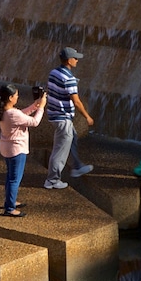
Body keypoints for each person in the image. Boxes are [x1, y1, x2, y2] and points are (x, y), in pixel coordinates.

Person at [44, 47, 94, 190]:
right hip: (63, 117)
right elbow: (76, 101)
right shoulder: (69, 79)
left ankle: (77, 166)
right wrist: (87, 117)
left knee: (72, 138)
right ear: (68, 60)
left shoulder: (54, 72)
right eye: (75, 58)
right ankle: (52, 180)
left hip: (54, 114)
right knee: (59, 151)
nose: (77, 60)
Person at [0, 83, 46, 217]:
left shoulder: (5, 110)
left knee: (10, 177)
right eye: (16, 95)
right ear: (11, 97)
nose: (18, 97)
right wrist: (41, 107)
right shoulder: (13, 114)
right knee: (14, 179)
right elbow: (34, 122)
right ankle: (10, 208)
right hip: (16, 150)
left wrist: (35, 105)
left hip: (7, 148)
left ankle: (10, 200)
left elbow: (21, 115)